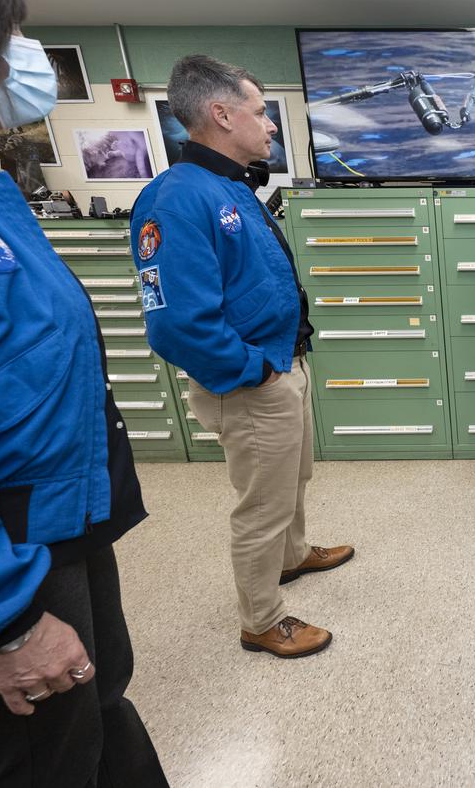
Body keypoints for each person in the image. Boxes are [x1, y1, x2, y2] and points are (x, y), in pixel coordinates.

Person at [0, 0, 168, 784]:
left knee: (98, 712)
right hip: (3, 559)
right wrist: (3, 621)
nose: (26, 57)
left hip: (58, 526)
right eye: (10, 33)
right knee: (45, 761)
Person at [131, 55, 352, 659]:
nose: (271, 124)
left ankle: (292, 555)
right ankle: (261, 618)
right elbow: (175, 322)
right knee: (263, 505)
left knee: (293, 480)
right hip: (251, 380)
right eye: (261, 112)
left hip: (283, 360)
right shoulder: (175, 199)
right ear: (222, 115)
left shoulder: (232, 186)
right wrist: (254, 371)